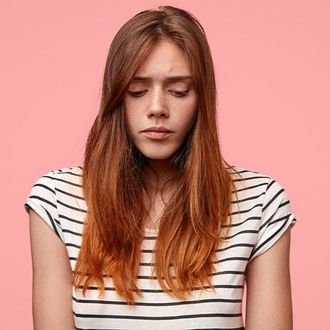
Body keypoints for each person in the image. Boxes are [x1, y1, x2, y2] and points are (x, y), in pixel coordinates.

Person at [24, 5, 297, 330]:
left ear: (202, 99)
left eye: (178, 91)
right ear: (116, 98)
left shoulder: (261, 201)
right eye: (137, 91)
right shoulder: (56, 200)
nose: (157, 108)